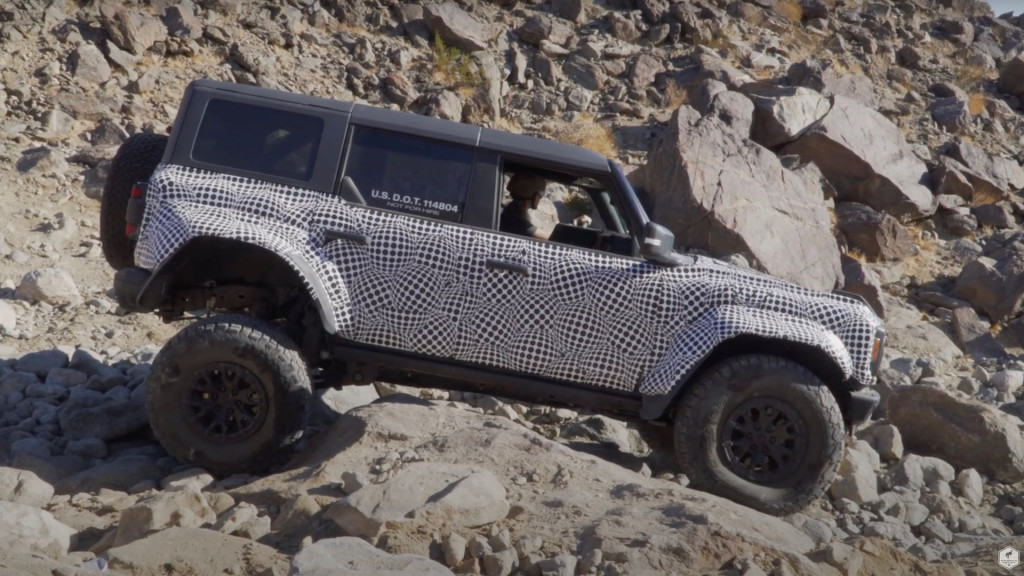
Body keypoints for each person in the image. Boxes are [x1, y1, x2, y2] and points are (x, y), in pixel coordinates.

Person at [500, 172, 550, 240]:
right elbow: (548, 238)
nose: (541, 197)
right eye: (541, 193)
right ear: (533, 195)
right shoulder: (517, 221)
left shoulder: (510, 213)